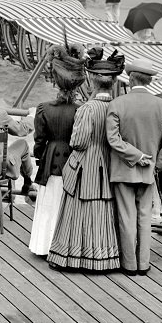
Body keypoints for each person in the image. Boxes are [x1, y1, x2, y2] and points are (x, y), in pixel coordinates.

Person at [46, 53, 122, 273]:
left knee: (78, 210)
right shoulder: (116, 107)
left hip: (86, 164)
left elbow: (78, 142)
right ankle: (102, 257)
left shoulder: (87, 109)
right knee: (102, 209)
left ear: (92, 80)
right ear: (114, 82)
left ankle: (75, 256)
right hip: (107, 164)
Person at [106, 59, 162, 275]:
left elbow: (113, 139)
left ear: (130, 79)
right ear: (149, 81)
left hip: (122, 170)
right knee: (144, 217)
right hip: (149, 171)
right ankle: (143, 264)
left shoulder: (117, 104)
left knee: (126, 218)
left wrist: (135, 155)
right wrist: (158, 164)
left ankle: (129, 265)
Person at [28, 82, 79, 256]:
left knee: (49, 201)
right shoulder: (79, 110)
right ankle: (65, 247)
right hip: (72, 158)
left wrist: (40, 156)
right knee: (68, 201)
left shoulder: (44, 108)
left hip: (51, 156)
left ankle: (44, 245)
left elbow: (39, 139)